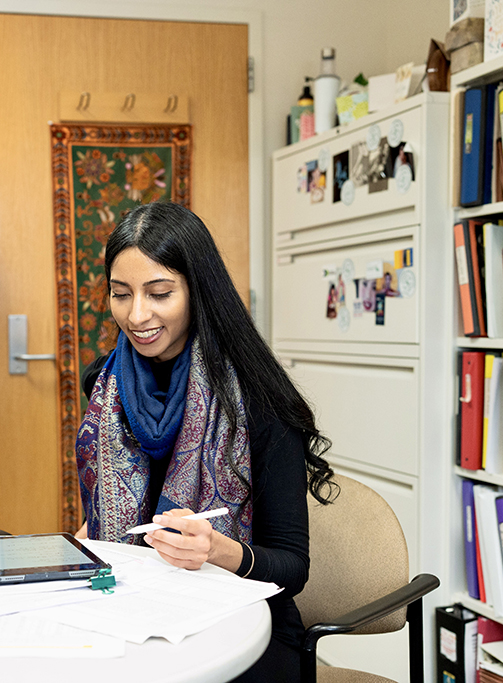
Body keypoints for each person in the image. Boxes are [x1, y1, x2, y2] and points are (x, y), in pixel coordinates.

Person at [75, 202, 336, 680]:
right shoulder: (103, 385)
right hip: (136, 613)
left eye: (159, 294)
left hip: (244, 625)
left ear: (199, 292)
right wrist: (90, 534)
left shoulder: (259, 399)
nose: (136, 315)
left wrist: (215, 550)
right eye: (120, 294)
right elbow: (111, 513)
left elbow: (292, 568)